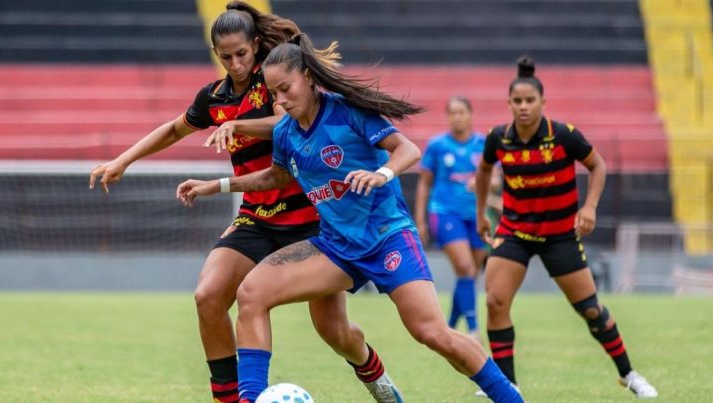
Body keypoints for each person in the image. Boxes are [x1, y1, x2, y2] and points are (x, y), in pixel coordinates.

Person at [176, 34, 523, 403]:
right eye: (274, 94)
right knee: (252, 293)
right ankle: (250, 398)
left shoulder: (348, 111)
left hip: (387, 236)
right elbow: (276, 177)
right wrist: (218, 185)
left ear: (308, 76)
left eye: (285, 89)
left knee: (432, 333)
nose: (280, 101)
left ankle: (511, 398)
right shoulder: (286, 132)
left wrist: (382, 175)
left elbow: (407, 149)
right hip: (336, 247)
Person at [88, 3, 402, 402]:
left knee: (335, 332)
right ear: (216, 54)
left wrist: (236, 124)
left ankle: (377, 379)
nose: (236, 63)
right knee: (208, 297)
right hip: (258, 216)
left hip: (310, 219)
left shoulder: (272, 82)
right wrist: (123, 160)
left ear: (255, 45)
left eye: (242, 53)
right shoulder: (215, 98)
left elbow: (286, 120)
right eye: (226, 57)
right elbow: (173, 129)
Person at [474, 56, 658, 398]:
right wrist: (481, 213)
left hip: (559, 235)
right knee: (496, 302)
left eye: (530, 100)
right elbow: (484, 171)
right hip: (514, 232)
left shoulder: (563, 135)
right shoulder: (498, 138)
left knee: (590, 309)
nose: (524, 106)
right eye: (518, 101)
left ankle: (628, 374)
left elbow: (598, 165)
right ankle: (508, 384)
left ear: (543, 102)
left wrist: (589, 207)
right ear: (509, 104)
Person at [414, 96, 487, 337]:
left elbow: (497, 179)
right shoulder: (437, 146)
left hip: (476, 215)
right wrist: (421, 220)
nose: (457, 117)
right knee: (465, 267)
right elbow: (424, 184)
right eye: (452, 113)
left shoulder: (483, 144)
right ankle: (474, 330)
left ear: (470, 114)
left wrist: (484, 182)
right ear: (448, 117)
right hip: (444, 213)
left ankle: (450, 327)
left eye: (461, 112)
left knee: (469, 274)